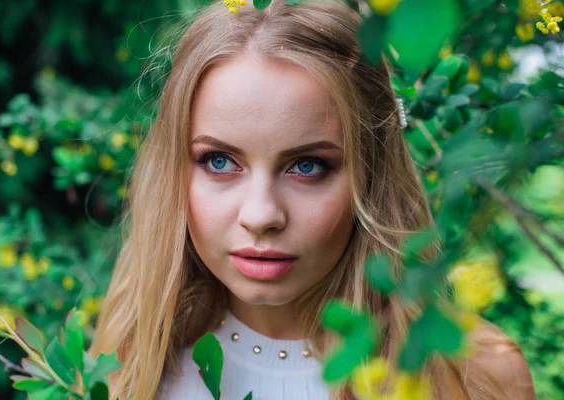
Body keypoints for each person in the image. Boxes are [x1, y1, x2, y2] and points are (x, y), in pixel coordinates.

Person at [88, 1, 536, 399]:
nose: (261, 215)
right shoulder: (125, 369)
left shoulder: (478, 374)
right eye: (220, 162)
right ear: (175, 173)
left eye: (306, 166)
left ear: (372, 176)